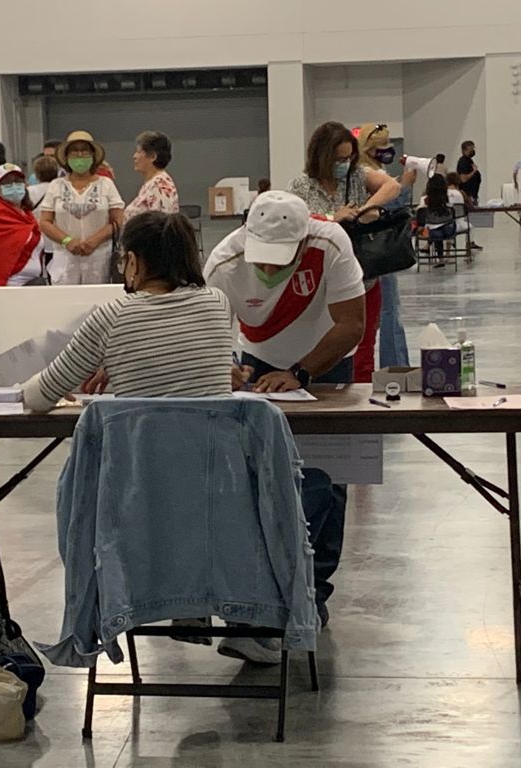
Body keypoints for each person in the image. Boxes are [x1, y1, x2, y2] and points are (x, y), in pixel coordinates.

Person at [205, 190, 366, 634]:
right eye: (263, 259)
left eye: (281, 260)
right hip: (257, 359)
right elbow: (210, 332)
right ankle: (261, 589)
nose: (271, 270)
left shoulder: (330, 243)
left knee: (327, 476)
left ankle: (313, 593)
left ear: (302, 241)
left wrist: (301, 373)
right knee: (255, 475)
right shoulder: (223, 263)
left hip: (326, 360)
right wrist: (227, 368)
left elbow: (351, 324)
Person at [21, 210, 232, 409]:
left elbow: (36, 398)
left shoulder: (111, 316)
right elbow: (177, 352)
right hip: (213, 436)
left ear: (132, 261)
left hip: (141, 438)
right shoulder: (217, 302)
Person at [287, 122, 400, 384]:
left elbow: (392, 186)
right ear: (321, 156)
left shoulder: (357, 176)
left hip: (362, 280)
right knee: (322, 347)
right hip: (318, 287)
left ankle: (360, 401)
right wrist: (331, 218)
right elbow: (293, 226)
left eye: (349, 158)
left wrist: (365, 209)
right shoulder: (300, 187)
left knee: (363, 350)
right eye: (338, 159)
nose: (344, 164)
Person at [355, 123, 411, 370]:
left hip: (378, 248)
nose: (388, 148)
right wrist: (405, 186)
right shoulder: (366, 174)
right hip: (375, 248)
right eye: (382, 145)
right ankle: (396, 366)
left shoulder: (378, 171)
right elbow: (383, 209)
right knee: (389, 311)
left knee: (388, 310)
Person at [38, 130, 125, 285]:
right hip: (65, 258)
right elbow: (45, 222)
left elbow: (118, 219)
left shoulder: (106, 184)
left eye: (84, 151)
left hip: (99, 258)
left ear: (93, 156)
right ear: (66, 157)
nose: (79, 156)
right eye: (74, 152)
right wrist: (67, 241)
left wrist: (95, 240)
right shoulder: (56, 185)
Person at [124, 131, 179, 220]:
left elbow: (160, 223)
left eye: (138, 152)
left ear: (153, 157)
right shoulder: (152, 183)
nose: (134, 156)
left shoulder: (159, 185)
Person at [418, 174, 462, 259]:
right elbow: (453, 214)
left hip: (430, 233)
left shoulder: (425, 199)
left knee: (434, 229)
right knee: (441, 227)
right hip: (449, 231)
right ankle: (441, 256)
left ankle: (439, 257)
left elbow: (421, 217)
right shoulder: (448, 198)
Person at [456, 139, 483, 249]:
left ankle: (471, 240)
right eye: (470, 149)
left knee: (472, 219)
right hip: (467, 194)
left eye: (473, 148)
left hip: (473, 193)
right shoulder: (463, 162)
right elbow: (463, 178)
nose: (473, 151)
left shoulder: (469, 160)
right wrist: (474, 171)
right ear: (464, 150)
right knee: (468, 219)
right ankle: (469, 241)